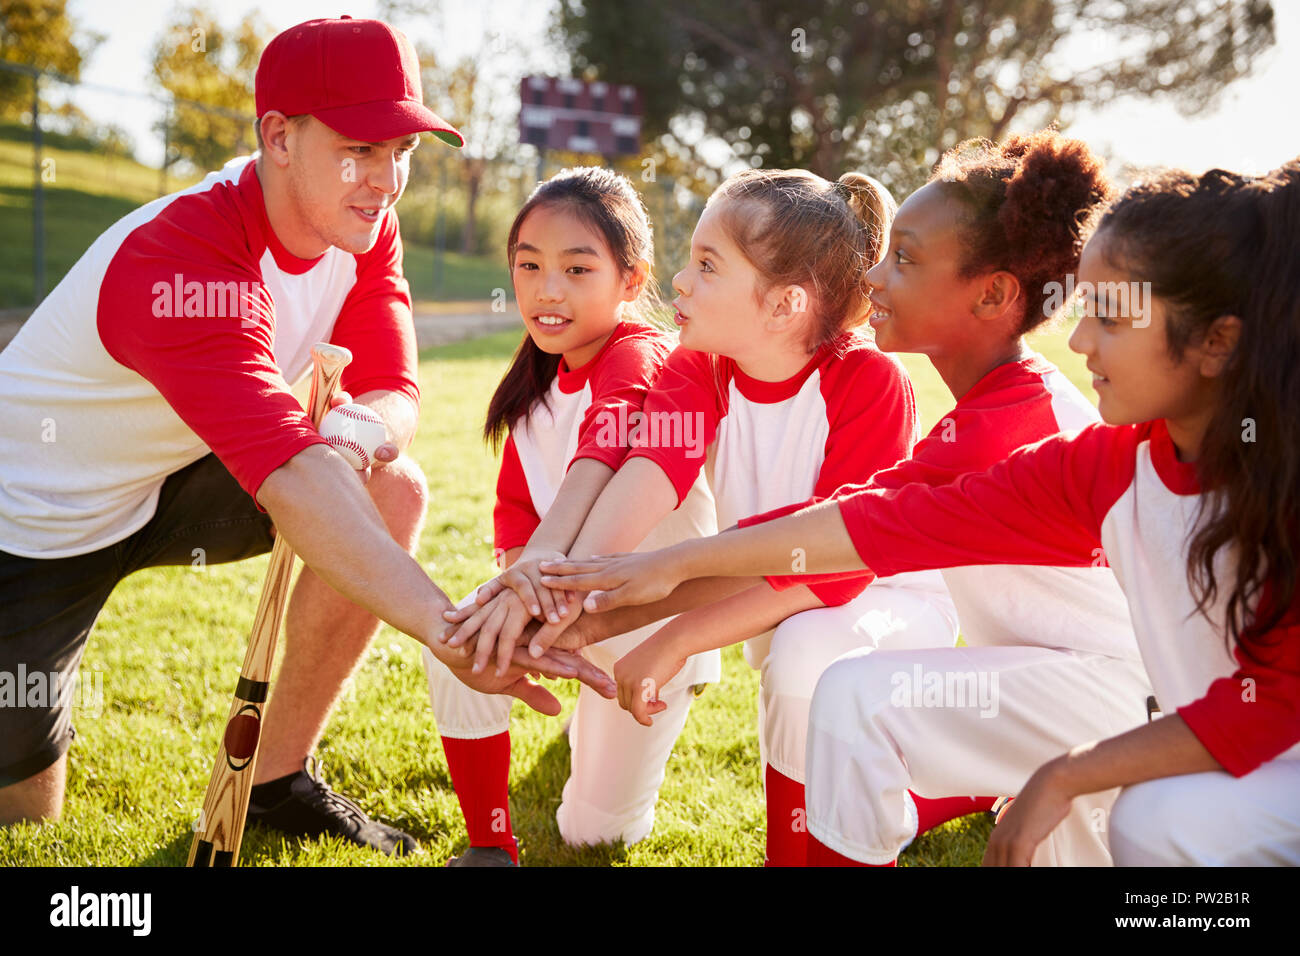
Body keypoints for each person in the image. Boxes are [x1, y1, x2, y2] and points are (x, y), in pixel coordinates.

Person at [540, 158, 1300, 866]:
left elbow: (853, 537)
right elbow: (860, 523)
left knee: (1140, 817)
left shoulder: (1016, 423)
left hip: (1124, 698)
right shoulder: (1087, 455)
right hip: (1080, 687)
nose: (873, 274)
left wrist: (1071, 773)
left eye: (904, 258)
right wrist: (633, 589)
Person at [0, 16, 612, 855]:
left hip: (173, 480)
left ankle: (276, 780)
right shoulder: (184, 261)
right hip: (32, 520)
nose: (387, 180)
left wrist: (361, 433)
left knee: (389, 488)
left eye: (403, 151)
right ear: (278, 138)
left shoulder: (362, 227)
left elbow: (395, 389)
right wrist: (449, 630)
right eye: (362, 148)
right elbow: (290, 471)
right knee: (26, 809)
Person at [448, 167, 960, 866]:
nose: (680, 282)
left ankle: (837, 836)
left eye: (707, 265)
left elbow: (836, 572)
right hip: (765, 589)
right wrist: (559, 595)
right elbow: (652, 474)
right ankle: (943, 793)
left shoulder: (870, 382)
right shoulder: (700, 365)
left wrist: (674, 638)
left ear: (783, 305)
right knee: (596, 823)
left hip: (881, 597)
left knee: (806, 659)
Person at [421, 166, 719, 865]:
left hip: (654, 625)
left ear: (631, 280)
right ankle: (489, 845)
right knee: (456, 636)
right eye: (528, 266)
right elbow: (514, 520)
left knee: (594, 833)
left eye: (577, 269)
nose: (547, 290)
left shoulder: (645, 356)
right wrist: (514, 603)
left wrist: (536, 583)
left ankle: (605, 728)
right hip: (558, 605)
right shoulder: (531, 386)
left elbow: (607, 446)